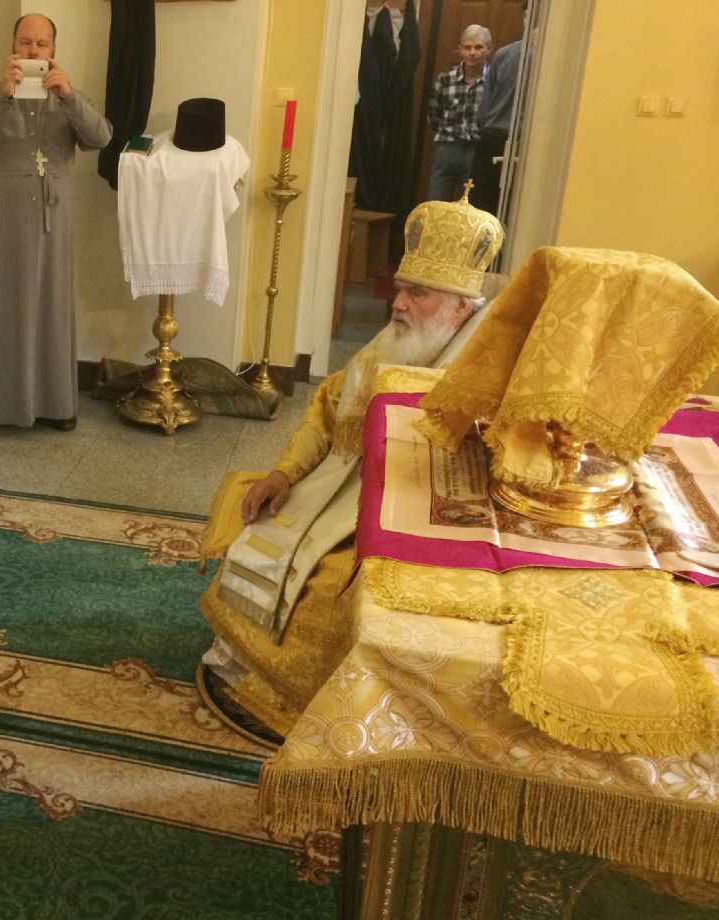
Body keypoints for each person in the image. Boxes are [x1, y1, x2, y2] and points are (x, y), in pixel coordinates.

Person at [199, 192, 504, 739]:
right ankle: (246, 667)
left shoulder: (485, 372)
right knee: (256, 528)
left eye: (417, 293)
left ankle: (315, 705)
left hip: (414, 518)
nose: (397, 303)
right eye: (400, 287)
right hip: (341, 489)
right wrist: (285, 474)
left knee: (330, 592)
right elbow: (326, 408)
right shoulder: (395, 344)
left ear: (461, 306)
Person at [0, 13, 112, 431]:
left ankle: (57, 405)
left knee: (53, 305)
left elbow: (101, 137)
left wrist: (69, 97)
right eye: (26, 42)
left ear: (53, 50)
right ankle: (2, 406)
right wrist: (1, 97)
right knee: (7, 302)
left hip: (55, 218)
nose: (33, 51)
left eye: (42, 44)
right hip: (7, 218)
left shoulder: (69, 95)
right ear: (13, 45)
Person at [424, 24, 491, 201]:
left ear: (488, 49)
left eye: (478, 47)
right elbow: (433, 114)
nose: (472, 53)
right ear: (460, 50)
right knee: (436, 203)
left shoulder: (493, 80)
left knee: (468, 206)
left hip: (476, 150)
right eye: (467, 47)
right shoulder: (445, 79)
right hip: (448, 149)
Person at [469, 16, 525, 215]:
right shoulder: (550, 55)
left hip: (492, 136)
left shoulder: (504, 54)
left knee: (480, 211)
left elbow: (485, 107)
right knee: (513, 210)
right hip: (519, 141)